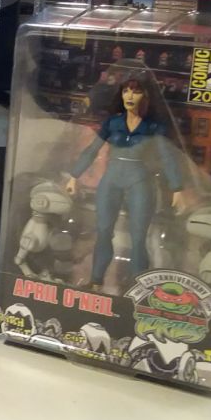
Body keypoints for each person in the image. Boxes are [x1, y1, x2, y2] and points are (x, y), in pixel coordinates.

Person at [67, 75, 186, 288]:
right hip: (111, 180)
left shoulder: (153, 126)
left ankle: (138, 288)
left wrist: (177, 187)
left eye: (136, 91)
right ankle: (95, 282)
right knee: (103, 232)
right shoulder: (113, 123)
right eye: (126, 91)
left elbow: (167, 156)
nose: (129, 96)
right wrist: (74, 176)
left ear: (145, 96)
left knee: (138, 237)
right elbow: (92, 150)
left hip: (139, 181)